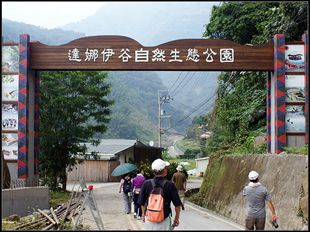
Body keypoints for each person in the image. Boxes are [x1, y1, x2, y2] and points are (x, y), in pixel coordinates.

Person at [138, 158, 183, 230]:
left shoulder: (146, 183)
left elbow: (142, 203)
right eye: (166, 168)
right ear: (164, 170)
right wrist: (176, 219)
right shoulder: (170, 185)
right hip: (164, 220)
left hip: (149, 220)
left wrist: (143, 215)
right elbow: (177, 205)